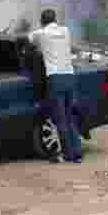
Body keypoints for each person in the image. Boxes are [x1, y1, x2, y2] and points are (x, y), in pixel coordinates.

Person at [29, 8, 81, 163]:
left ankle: (67, 155)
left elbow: (28, 40)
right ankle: (77, 154)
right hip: (70, 78)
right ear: (55, 19)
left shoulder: (40, 33)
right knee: (70, 118)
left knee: (60, 119)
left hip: (55, 79)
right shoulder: (66, 31)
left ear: (42, 21)